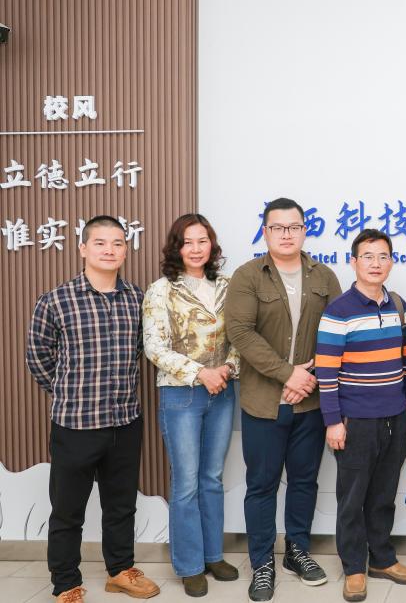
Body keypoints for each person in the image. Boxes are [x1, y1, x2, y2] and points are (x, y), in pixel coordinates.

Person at [26, 215, 161, 603]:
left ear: (126, 250)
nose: (109, 250)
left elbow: (142, 349)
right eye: (100, 243)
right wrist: (69, 393)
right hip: (75, 425)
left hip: (125, 420)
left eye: (117, 243)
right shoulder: (55, 300)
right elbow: (38, 358)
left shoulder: (138, 299)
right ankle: (65, 582)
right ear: (83, 248)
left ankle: (120, 571)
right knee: (67, 510)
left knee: (121, 505)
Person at [225, 198, 341, 602]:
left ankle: (297, 551)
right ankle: (262, 562)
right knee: (261, 485)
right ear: (266, 232)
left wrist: (308, 376)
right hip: (263, 402)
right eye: (278, 228)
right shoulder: (247, 276)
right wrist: (287, 373)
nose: (286, 234)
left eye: (294, 227)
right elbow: (241, 333)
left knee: (305, 481)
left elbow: (336, 333)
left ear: (305, 230)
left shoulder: (324, 276)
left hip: (311, 401)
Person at [315, 229, 406, 602]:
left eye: (383, 256)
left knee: (383, 494)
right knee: (352, 498)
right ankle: (354, 568)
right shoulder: (338, 311)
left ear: (391, 261)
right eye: (368, 256)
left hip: (395, 416)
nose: (376, 264)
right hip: (355, 421)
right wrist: (333, 421)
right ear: (354, 261)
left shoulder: (398, 305)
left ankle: (382, 558)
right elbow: (326, 372)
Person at [142, 213, 241, 597]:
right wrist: (201, 373)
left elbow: (241, 337)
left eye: (202, 241)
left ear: (212, 245)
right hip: (181, 393)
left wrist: (227, 369)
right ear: (176, 247)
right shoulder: (161, 290)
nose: (196, 249)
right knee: (186, 482)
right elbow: (154, 347)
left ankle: (213, 555)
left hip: (223, 390)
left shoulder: (228, 285)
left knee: (212, 478)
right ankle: (189, 565)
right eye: (188, 242)